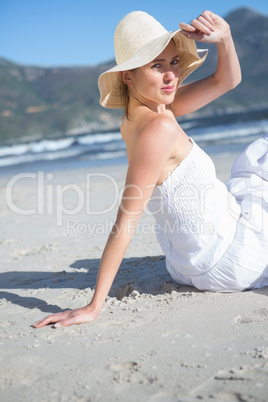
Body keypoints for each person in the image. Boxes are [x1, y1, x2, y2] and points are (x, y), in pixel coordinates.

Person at [33, 10, 268, 329]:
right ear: (128, 75)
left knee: (252, 174)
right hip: (226, 258)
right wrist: (93, 305)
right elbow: (126, 220)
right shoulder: (158, 128)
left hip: (187, 262)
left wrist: (224, 39)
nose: (171, 76)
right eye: (156, 66)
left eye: (174, 62)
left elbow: (226, 80)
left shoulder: (144, 116)